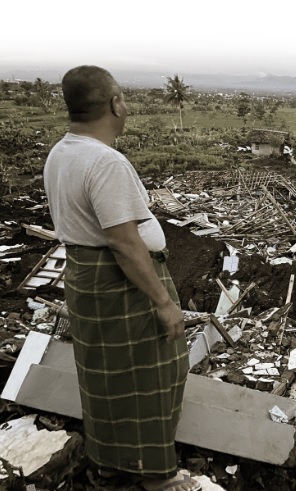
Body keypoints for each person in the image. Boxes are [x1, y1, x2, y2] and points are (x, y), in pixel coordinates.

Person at [43, 65, 200, 491]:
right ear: (114, 104)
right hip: (120, 283)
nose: (125, 105)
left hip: (87, 280)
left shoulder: (62, 152)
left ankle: (110, 464)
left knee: (106, 378)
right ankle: (157, 477)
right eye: (123, 98)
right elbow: (124, 242)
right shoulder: (105, 161)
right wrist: (164, 303)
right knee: (154, 375)